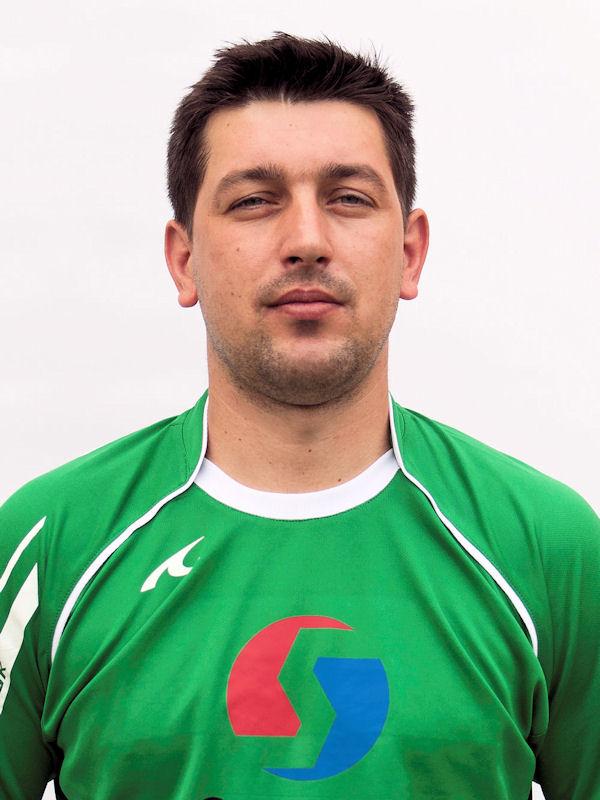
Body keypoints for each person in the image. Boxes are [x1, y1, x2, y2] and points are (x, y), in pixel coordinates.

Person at [0, 32, 597, 800]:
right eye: (254, 201)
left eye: (348, 198)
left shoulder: (550, 548)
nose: (307, 241)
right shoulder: (47, 545)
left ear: (410, 252)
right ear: (184, 259)